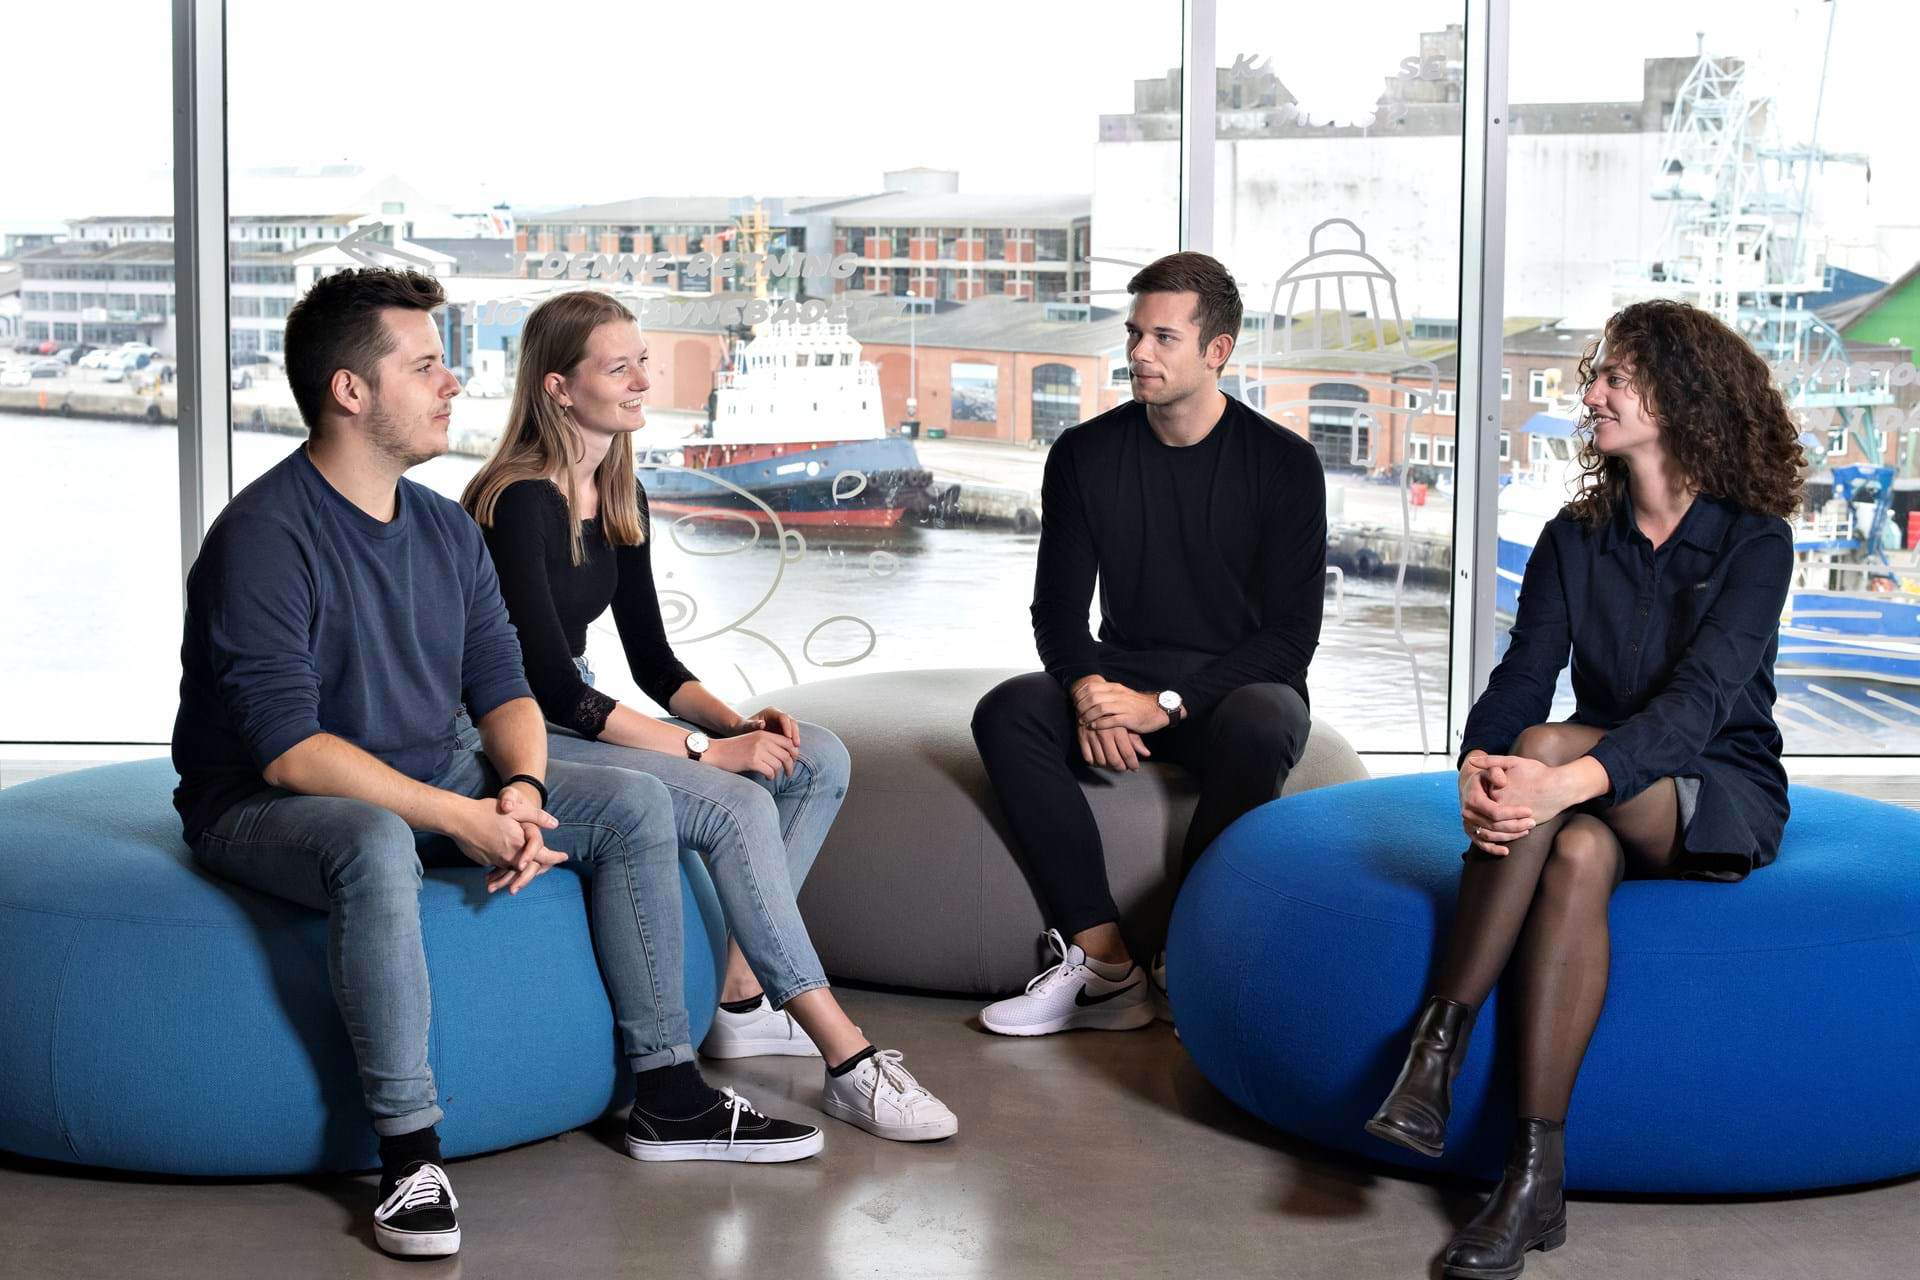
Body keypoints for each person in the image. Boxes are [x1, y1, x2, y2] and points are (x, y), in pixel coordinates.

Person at [172, 269, 825, 1262]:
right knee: (373, 841)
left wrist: (519, 788)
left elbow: (507, 691)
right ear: (350, 390)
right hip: (264, 802)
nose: (452, 383)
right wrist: (462, 816)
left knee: (633, 806)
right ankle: (409, 1156)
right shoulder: (264, 536)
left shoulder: (442, 527)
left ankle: (668, 1092)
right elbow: (292, 750)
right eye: (425, 366)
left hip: (433, 772)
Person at [1364, 299, 1804, 1279]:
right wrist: (1481, 764)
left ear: (1679, 397)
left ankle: (1436, 1044)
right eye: (1595, 376)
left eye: (1614, 378)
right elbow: (1527, 670)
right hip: (1594, 796)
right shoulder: (1577, 533)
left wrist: (1553, 772)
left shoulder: (1754, 542)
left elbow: (1696, 708)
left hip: (1713, 786)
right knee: (1571, 844)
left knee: (1551, 750)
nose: (1591, 394)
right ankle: (1533, 1178)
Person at [459, 289, 956, 1143]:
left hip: (576, 712)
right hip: (514, 737)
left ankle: (738, 995)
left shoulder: (619, 491)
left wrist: (735, 727)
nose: (642, 381)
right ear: (558, 388)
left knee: (818, 758)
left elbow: (654, 662)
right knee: (733, 802)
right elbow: (549, 687)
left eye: (642, 363)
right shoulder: (516, 500)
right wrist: (704, 753)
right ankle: (847, 1056)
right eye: (619, 368)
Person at [970, 251, 1326, 1036]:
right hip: (1122, 675)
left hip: (1232, 691)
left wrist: (1163, 705)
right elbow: (1057, 611)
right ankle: (1104, 966)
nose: (1138, 353)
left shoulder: (1285, 464)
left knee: (1266, 719)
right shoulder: (1084, 453)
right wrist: (1088, 693)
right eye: (1135, 334)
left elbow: (1292, 638)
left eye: (1164, 338)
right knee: (1006, 710)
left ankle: (1183, 954)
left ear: (1217, 351)